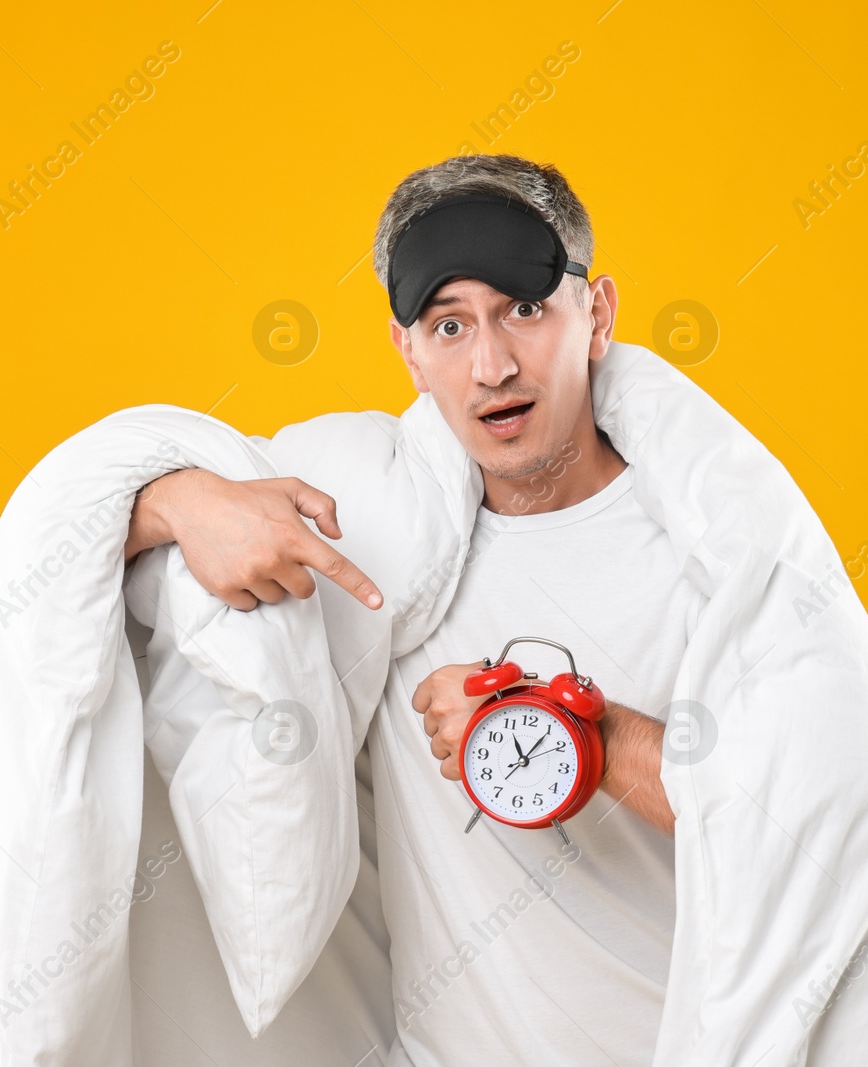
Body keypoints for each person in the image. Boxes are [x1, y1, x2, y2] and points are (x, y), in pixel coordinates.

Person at [124, 155, 696, 1065]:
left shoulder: (704, 541)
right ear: (408, 351)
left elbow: (806, 811)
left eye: (525, 308)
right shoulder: (373, 526)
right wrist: (178, 503)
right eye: (450, 323)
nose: (493, 363)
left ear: (599, 314)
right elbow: (67, 563)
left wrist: (574, 724)